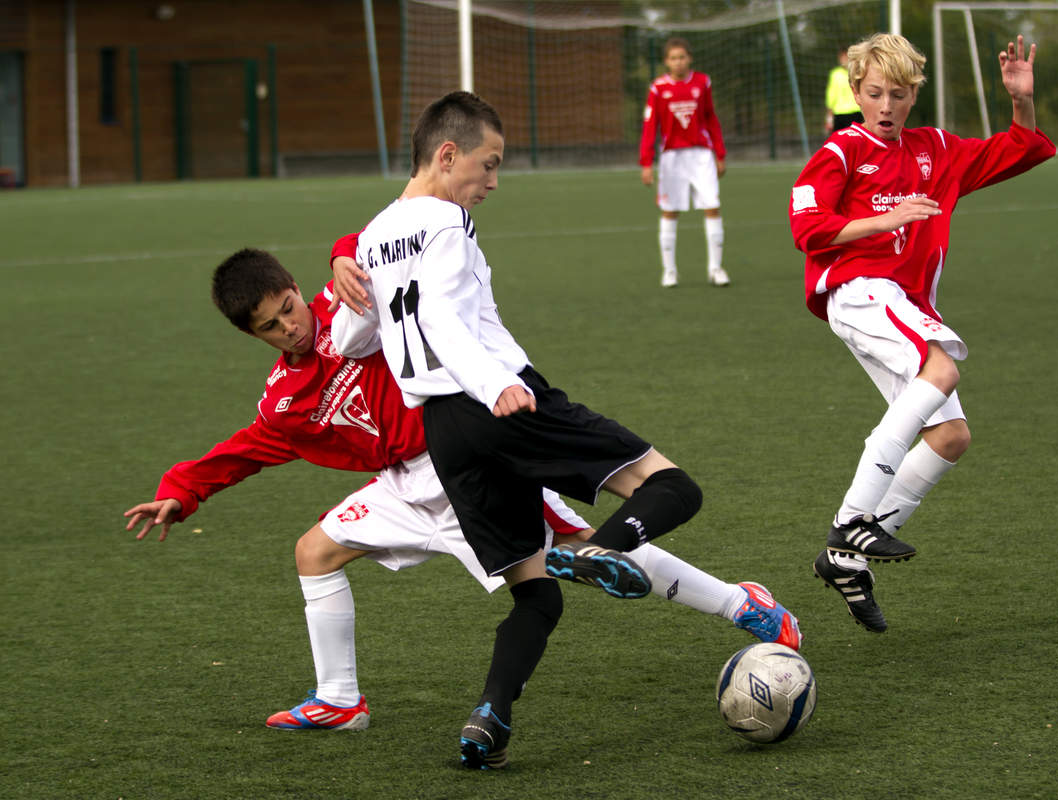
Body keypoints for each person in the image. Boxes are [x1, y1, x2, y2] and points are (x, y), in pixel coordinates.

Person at [124, 248, 802, 743]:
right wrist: (181, 492)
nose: (291, 328)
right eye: (271, 327)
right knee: (315, 552)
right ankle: (338, 699)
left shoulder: (354, 305)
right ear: (252, 337)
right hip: (399, 488)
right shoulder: (285, 400)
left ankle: (748, 606)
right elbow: (248, 449)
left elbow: (391, 239)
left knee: (582, 555)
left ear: (299, 289)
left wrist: (340, 257)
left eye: (289, 308)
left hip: (464, 463)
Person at [330, 91, 714, 769]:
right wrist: (496, 383)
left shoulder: (371, 236)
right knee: (673, 488)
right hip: (499, 401)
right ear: (447, 156)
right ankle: (605, 550)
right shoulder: (448, 223)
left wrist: (347, 287)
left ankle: (488, 720)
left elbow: (351, 336)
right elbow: (447, 321)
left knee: (535, 592)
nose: (494, 182)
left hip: (445, 434)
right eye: (489, 164)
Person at [788, 34, 1054, 633]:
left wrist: (1021, 102)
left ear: (914, 97)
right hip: (858, 289)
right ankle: (853, 521)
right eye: (876, 93)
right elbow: (808, 228)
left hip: (900, 302)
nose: (886, 105)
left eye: (900, 94)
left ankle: (846, 557)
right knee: (943, 369)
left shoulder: (935, 149)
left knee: (951, 436)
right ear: (856, 91)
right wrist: (888, 217)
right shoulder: (841, 152)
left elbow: (1021, 149)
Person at [638, 37, 729, 288]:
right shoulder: (658, 88)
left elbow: (711, 119)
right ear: (666, 62)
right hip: (672, 159)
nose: (678, 62)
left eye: (682, 57)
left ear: (689, 58)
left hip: (701, 156)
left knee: (712, 206)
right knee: (670, 211)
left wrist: (719, 154)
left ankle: (716, 268)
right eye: (673, 58)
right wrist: (646, 163)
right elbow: (650, 127)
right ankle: (669, 271)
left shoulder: (703, 82)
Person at [824, 47, 862, 134]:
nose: (844, 60)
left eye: (847, 58)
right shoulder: (835, 74)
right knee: (840, 142)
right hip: (840, 114)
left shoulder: (857, 73)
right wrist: (829, 118)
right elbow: (831, 96)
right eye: (843, 58)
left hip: (856, 112)